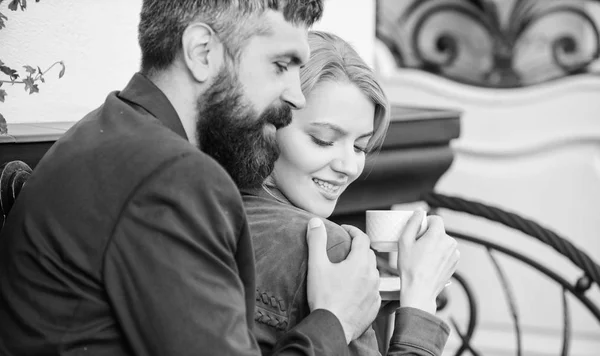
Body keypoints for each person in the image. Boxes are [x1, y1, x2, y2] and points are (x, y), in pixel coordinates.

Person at [0, 2, 383, 355]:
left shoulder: (108, 128)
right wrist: (336, 321)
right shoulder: (170, 177)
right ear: (203, 53)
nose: (297, 96)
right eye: (281, 66)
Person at [241, 31, 459, 355]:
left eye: (360, 146)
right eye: (323, 140)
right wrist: (421, 301)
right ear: (266, 129)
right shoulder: (325, 246)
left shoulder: (204, 207)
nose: (349, 166)